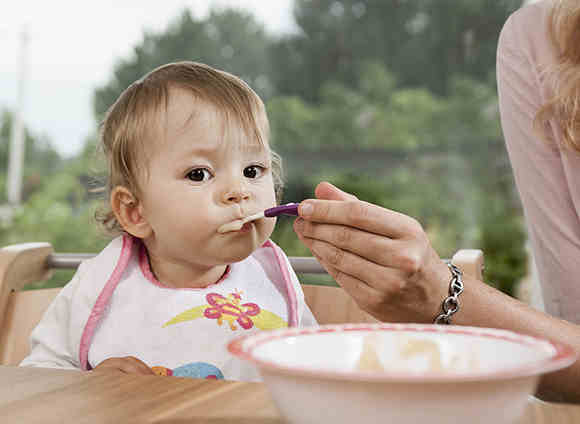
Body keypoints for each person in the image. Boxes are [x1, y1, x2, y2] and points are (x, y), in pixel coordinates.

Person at [293, 0, 580, 403]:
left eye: (253, 170)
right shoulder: (539, 40)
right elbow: (570, 355)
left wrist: (438, 295)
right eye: (197, 174)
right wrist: (435, 291)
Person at [20, 61, 317, 381]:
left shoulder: (272, 279)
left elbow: (317, 373)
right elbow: (38, 379)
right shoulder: (96, 286)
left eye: (252, 171)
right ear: (135, 211)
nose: (239, 191)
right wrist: (90, 387)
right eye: (199, 174)